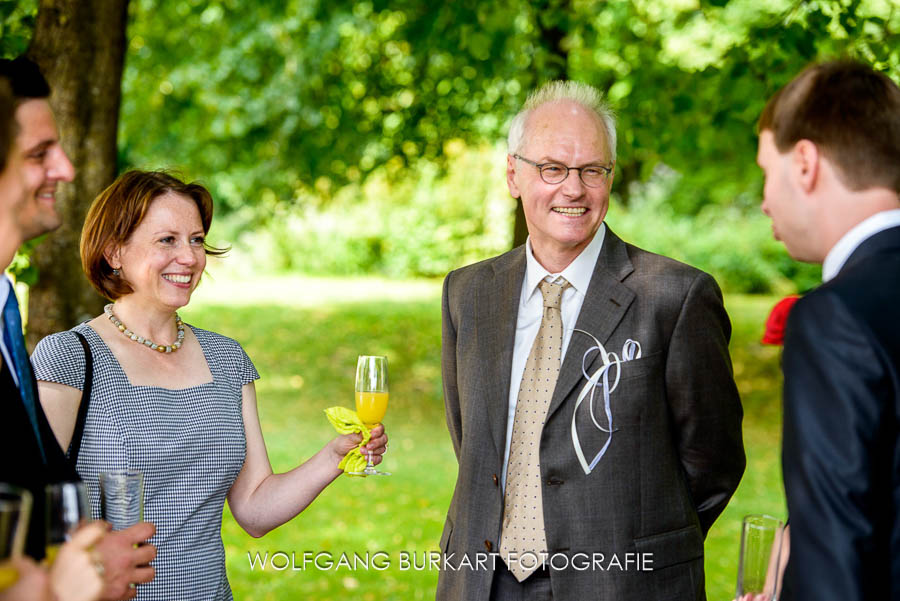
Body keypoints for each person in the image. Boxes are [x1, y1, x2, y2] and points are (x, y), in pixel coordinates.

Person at [437, 80, 745, 601]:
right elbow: (473, 439)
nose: (573, 189)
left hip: (623, 583)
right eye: (552, 169)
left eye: (591, 171)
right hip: (483, 581)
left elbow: (712, 463)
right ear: (514, 174)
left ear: (609, 176)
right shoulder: (467, 292)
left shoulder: (675, 296)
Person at [30, 168, 389, 600]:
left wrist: (334, 457)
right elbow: (32, 516)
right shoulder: (68, 358)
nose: (190, 257)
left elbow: (255, 509)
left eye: (196, 239)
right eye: (168, 240)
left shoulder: (227, 359)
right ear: (114, 252)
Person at [0, 57, 156, 601]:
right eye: (41, 154)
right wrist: (59, 589)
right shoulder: (68, 352)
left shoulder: (5, 312)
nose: (66, 169)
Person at [756, 59, 900, 600]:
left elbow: (835, 561)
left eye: (766, 170)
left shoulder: (834, 317)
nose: (766, 199)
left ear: (805, 163)